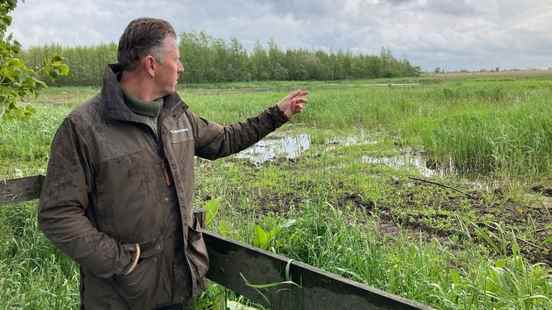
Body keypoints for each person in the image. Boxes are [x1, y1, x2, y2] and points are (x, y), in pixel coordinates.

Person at [38, 17, 308, 310]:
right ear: (151, 65)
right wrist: (122, 261)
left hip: (180, 287)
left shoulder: (176, 115)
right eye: (176, 60)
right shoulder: (83, 128)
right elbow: (58, 213)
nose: (181, 67)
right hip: (119, 297)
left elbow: (225, 140)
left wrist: (276, 115)